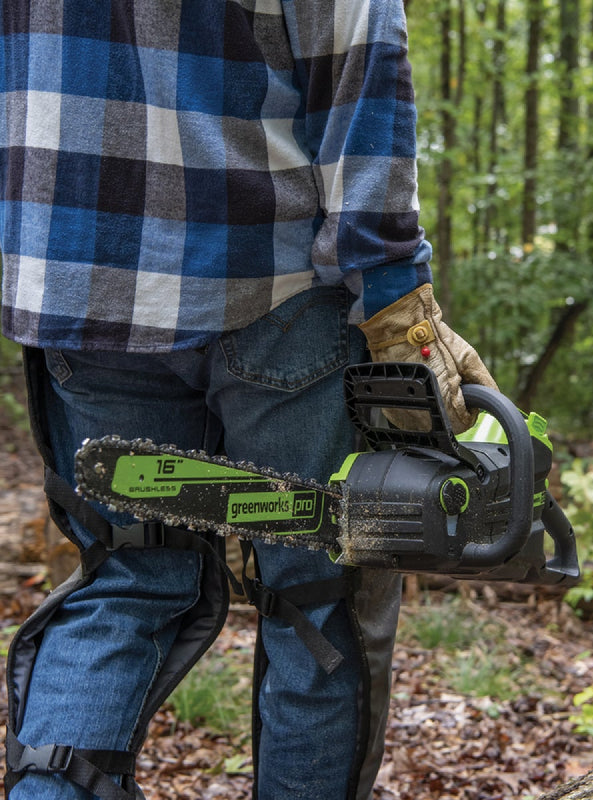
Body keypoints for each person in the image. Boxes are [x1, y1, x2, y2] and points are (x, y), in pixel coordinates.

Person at [0, 2, 496, 799]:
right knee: (318, 589)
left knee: (127, 578)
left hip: (76, 275)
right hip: (272, 279)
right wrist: (400, 305)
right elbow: (356, 44)